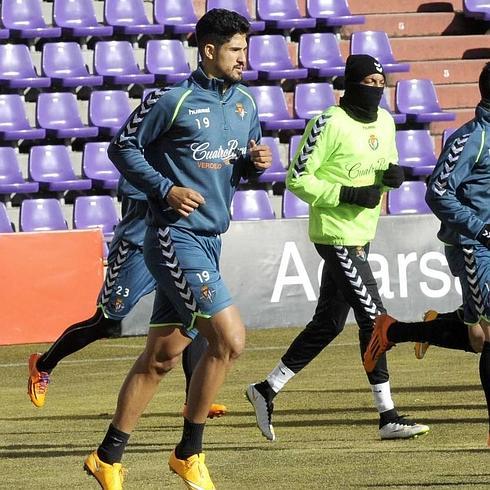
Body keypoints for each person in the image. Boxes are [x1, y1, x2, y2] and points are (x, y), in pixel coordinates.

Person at [83, 9, 272, 490]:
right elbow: (122, 147)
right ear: (209, 50)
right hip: (172, 236)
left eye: (245, 49)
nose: (243, 58)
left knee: (161, 359)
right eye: (235, 49)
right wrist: (164, 189)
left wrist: (253, 165)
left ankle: (107, 457)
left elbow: (236, 163)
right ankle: (189, 452)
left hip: (211, 240)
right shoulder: (172, 99)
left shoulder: (246, 103)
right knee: (229, 339)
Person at [246, 54, 430, 443]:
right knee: (375, 321)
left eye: (382, 82)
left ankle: (266, 388)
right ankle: (388, 416)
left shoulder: (386, 120)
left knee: (328, 323)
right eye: (370, 82)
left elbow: (385, 164)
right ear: (351, 83)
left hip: (363, 232)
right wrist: (345, 192)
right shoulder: (328, 122)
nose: (377, 89)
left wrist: (391, 177)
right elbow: (297, 180)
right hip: (334, 234)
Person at [363, 61, 490, 446]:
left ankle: (395, 330)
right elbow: (437, 191)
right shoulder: (473, 138)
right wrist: (479, 227)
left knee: (478, 338)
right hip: (475, 248)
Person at [27, 183, 227, 419]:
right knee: (107, 322)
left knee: (195, 317)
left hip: (179, 247)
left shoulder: (183, 153)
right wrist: (171, 189)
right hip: (137, 249)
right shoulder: (141, 153)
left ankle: (193, 401)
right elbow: (137, 187)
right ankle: (43, 365)